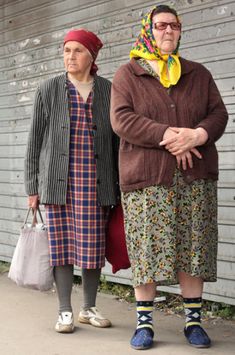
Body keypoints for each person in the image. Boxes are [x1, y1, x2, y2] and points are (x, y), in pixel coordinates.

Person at [110, 4, 228, 350]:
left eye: (174, 26)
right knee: (147, 251)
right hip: (147, 181)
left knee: (194, 247)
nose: (168, 31)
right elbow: (122, 120)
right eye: (161, 25)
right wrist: (173, 136)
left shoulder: (198, 73)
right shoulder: (127, 74)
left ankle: (193, 323)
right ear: (148, 29)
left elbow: (218, 114)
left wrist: (199, 136)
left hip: (195, 178)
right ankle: (145, 324)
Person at [24, 28, 119, 333]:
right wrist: (32, 187)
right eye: (66, 51)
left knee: (92, 248)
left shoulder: (109, 90)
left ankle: (88, 308)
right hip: (57, 183)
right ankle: (64, 310)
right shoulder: (49, 89)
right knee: (61, 247)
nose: (70, 57)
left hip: (96, 183)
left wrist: (121, 183)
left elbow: (118, 142)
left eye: (77, 51)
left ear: (92, 56)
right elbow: (34, 141)